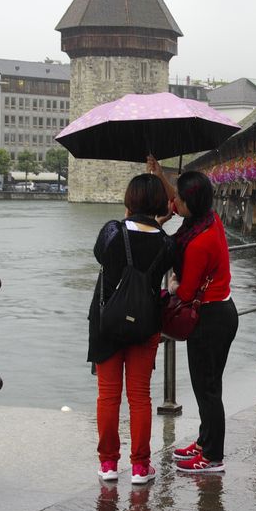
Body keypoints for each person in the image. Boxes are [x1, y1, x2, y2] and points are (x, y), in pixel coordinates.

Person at [89, 171, 175, 485]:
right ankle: (140, 466)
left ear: (129, 200)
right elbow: (153, 250)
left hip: (107, 322)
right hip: (145, 324)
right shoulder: (166, 243)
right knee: (140, 396)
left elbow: (101, 254)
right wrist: (159, 224)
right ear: (159, 204)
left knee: (108, 396)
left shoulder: (112, 232)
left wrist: (129, 219)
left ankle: (109, 464)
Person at [167, 171, 238, 473]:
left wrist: (172, 284)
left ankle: (212, 457)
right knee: (210, 386)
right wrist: (160, 176)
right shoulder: (210, 219)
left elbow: (185, 291)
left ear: (189, 203)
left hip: (209, 320)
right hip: (224, 312)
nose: (174, 203)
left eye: (179, 200)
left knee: (206, 390)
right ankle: (203, 442)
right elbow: (178, 206)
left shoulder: (197, 244)